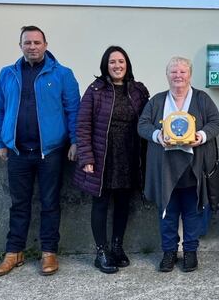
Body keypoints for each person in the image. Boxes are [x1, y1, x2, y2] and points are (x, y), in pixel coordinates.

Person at [0, 25, 80, 277]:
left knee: (50, 203)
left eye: (37, 42)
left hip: (50, 152)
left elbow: (73, 110)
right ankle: (14, 252)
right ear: (20, 46)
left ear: (46, 45)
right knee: (19, 204)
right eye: (27, 42)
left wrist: (75, 141)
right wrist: (0, 142)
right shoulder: (7, 74)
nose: (32, 47)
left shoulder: (63, 74)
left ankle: (49, 252)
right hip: (17, 152)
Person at [137, 56, 219, 273]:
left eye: (182, 72)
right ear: (167, 75)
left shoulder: (202, 99)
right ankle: (169, 252)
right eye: (173, 72)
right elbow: (142, 125)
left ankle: (190, 251)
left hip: (193, 167)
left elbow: (215, 123)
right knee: (167, 212)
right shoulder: (157, 101)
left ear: (190, 75)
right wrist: (157, 135)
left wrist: (201, 136)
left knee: (192, 212)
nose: (178, 76)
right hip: (165, 169)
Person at [73, 46, 150, 274]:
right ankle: (101, 252)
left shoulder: (138, 90)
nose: (117, 66)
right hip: (102, 155)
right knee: (101, 203)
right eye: (112, 62)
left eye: (121, 61)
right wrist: (86, 156)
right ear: (106, 66)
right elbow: (83, 125)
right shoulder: (95, 90)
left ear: (127, 64)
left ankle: (117, 247)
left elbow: (148, 120)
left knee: (123, 203)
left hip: (128, 155)